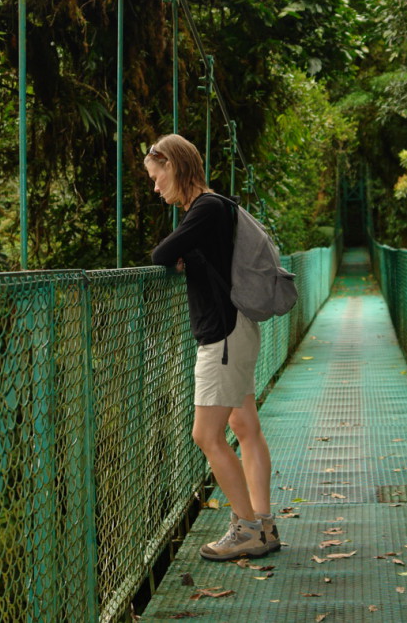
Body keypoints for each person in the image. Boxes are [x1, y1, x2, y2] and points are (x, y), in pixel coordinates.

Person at [145, 133, 279, 561]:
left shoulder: (204, 208)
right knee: (245, 428)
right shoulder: (217, 207)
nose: (155, 187)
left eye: (156, 176)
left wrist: (184, 254)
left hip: (221, 335)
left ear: (173, 165)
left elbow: (161, 254)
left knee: (206, 435)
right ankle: (264, 523)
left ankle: (247, 529)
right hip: (235, 330)